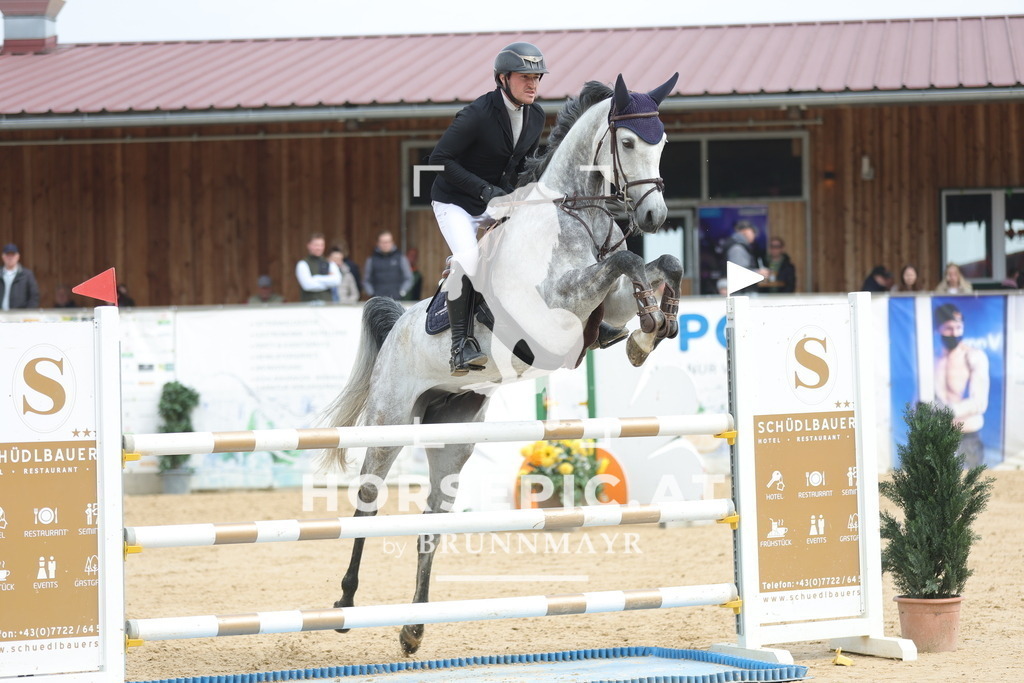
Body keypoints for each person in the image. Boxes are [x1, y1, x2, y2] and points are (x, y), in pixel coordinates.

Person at [429, 42, 548, 375]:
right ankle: (460, 345)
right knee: (469, 261)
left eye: (537, 77)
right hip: (456, 201)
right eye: (525, 77)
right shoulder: (477, 114)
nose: (533, 84)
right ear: (502, 79)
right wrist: (484, 190)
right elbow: (439, 160)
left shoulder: (536, 116)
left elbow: (523, 166)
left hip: (496, 200)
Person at [933, 302, 988, 467]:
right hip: (940, 435)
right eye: (949, 328)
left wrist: (946, 412)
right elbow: (921, 397)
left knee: (973, 482)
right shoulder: (932, 358)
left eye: (958, 327)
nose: (955, 333)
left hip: (968, 435)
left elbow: (979, 402)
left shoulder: (973, 356)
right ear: (938, 329)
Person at [363, 231, 412, 300]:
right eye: (383, 242)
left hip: (396, 299)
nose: (385, 245)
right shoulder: (371, 260)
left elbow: (408, 278)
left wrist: (402, 292)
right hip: (378, 300)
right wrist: (372, 293)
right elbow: (366, 280)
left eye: (388, 242)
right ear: (378, 243)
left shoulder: (400, 258)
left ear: (392, 242)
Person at [295, 232, 341, 303]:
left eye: (321, 245)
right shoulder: (302, 264)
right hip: (309, 304)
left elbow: (337, 281)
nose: (319, 248)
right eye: (316, 245)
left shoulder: (330, 263)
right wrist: (328, 283)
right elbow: (307, 285)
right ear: (309, 245)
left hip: (328, 304)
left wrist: (316, 278)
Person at [724, 221, 767, 294]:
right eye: (753, 232)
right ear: (746, 231)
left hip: (741, 292)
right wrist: (758, 273)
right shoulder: (737, 248)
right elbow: (738, 273)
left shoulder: (738, 246)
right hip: (740, 293)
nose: (755, 236)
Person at [1, 243, 40, 310]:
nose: (10, 258)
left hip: (20, 314)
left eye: (13, 255)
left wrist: (27, 313)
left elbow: (34, 297)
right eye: (7, 255)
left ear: (18, 256)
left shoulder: (27, 275)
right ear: (3, 257)